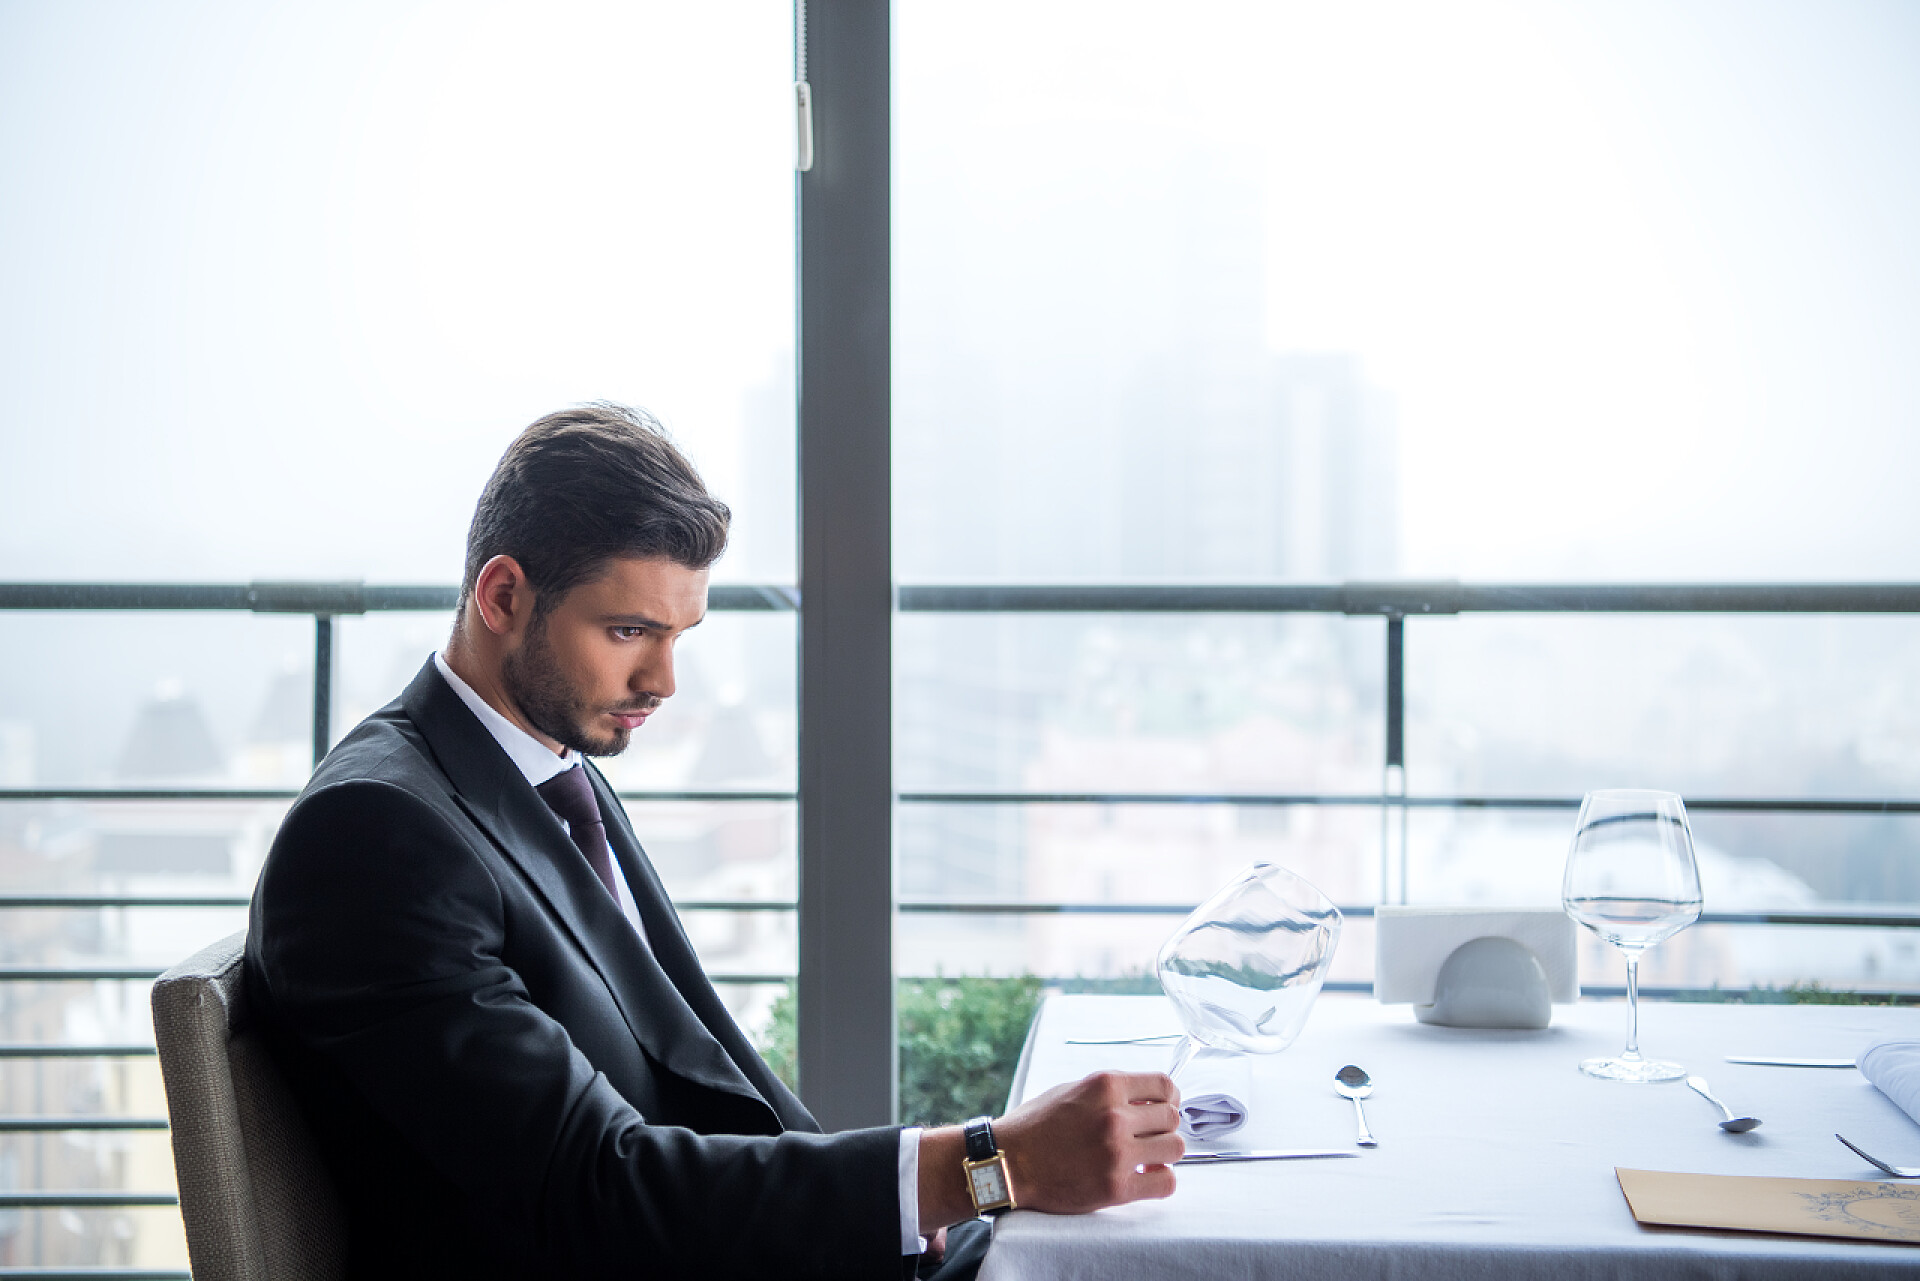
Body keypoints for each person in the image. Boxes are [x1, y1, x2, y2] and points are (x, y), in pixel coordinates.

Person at [244, 403, 1183, 1281]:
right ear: (501, 596)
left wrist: (947, 1200)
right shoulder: (373, 838)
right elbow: (591, 1191)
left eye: (680, 634)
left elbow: (701, 1093)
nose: (663, 679)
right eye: (628, 631)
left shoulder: (548, 772)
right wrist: (986, 1162)